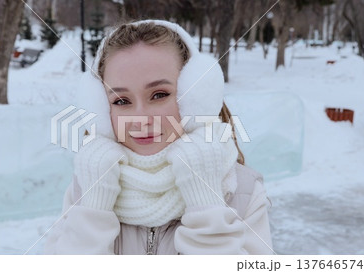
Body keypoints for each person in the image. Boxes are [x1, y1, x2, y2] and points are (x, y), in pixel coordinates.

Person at [44, 19, 273, 255]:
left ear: (196, 95)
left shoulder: (242, 191)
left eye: (159, 95)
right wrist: (94, 209)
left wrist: (206, 204)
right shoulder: (87, 185)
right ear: (100, 110)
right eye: (121, 101)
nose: (141, 118)